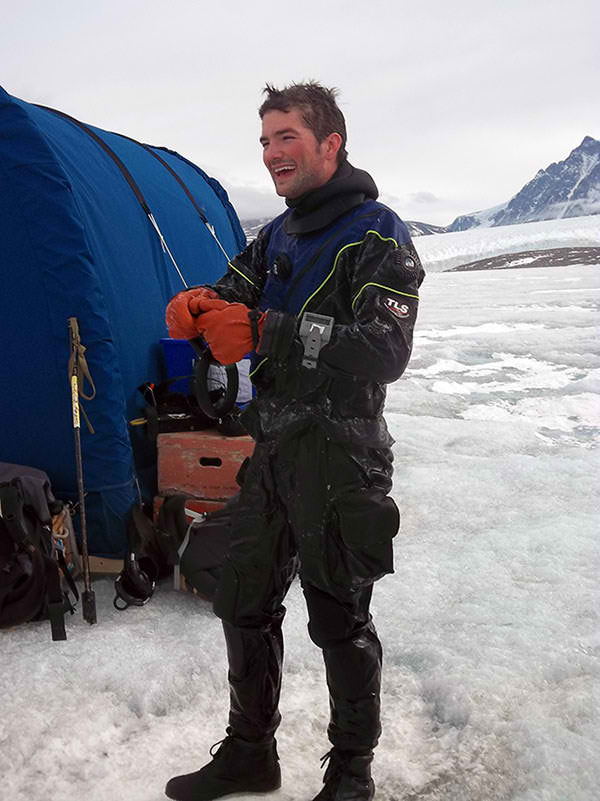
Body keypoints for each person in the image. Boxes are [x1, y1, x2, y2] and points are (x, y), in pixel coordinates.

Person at [164, 82, 425, 801]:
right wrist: (201, 304)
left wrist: (271, 331)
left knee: (341, 620)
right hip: (273, 450)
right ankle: (251, 751)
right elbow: (235, 289)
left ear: (329, 144)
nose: (273, 154)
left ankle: (352, 773)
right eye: (265, 142)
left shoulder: (378, 232)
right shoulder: (277, 235)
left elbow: (386, 349)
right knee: (242, 600)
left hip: (344, 458)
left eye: (287, 138)